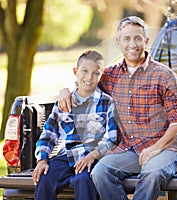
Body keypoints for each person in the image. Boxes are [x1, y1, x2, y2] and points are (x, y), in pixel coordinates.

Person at [58, 16, 177, 200]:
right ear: (118, 42)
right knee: (100, 173)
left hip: (165, 149)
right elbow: (85, 84)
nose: (132, 44)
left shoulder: (164, 75)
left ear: (146, 41)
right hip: (129, 149)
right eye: (126, 38)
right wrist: (65, 91)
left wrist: (155, 149)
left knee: (152, 175)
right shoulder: (109, 75)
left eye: (138, 38)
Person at [32, 50, 118, 200]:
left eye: (95, 73)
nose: (89, 77)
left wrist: (93, 155)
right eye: (84, 71)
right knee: (45, 178)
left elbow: (111, 138)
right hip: (67, 155)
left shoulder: (107, 102)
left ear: (100, 76)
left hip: (92, 157)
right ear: (75, 71)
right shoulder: (65, 101)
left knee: (83, 180)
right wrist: (42, 160)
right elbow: (49, 134)